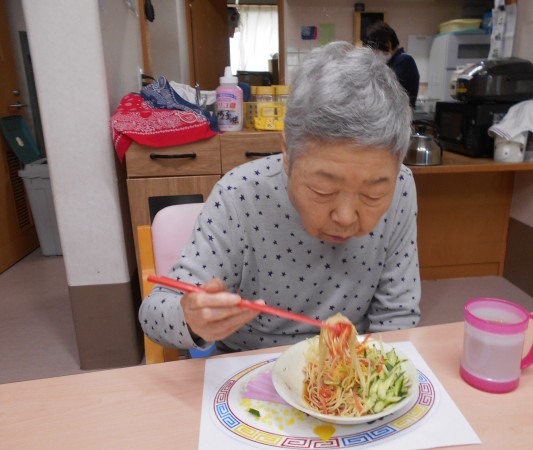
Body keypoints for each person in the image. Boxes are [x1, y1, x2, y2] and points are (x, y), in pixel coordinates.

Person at [139, 41, 421, 354]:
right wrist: (193, 320)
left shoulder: (401, 186)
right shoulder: (239, 196)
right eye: (323, 190)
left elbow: (397, 316)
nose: (345, 217)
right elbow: (154, 313)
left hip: (350, 363)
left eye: (372, 194)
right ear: (288, 152)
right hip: (248, 365)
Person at [363, 21, 420, 108]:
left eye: (375, 50)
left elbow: (388, 94)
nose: (374, 55)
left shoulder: (404, 61)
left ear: (388, 44)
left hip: (399, 114)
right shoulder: (392, 62)